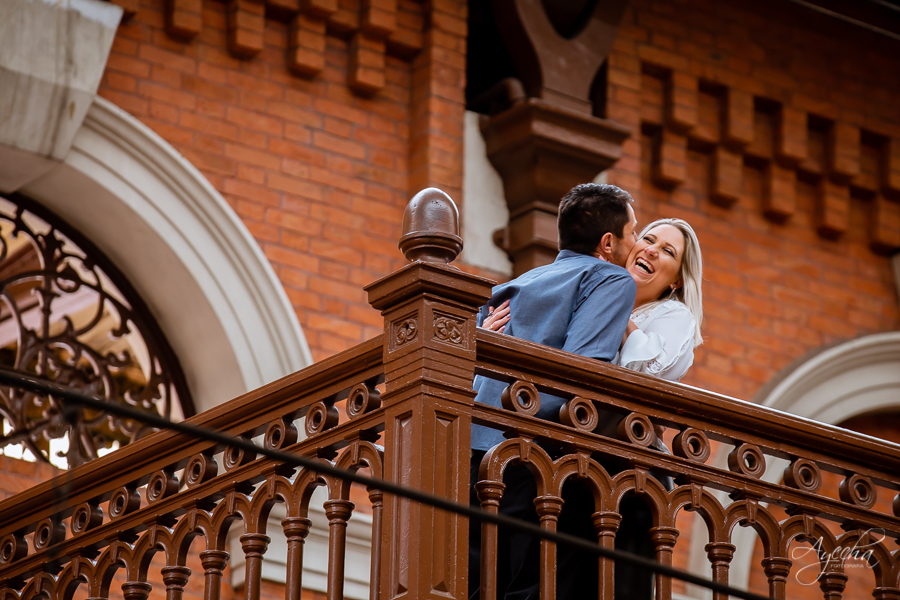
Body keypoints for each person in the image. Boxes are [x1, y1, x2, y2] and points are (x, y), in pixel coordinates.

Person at [482, 217, 705, 600]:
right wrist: (488, 332)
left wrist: (614, 309)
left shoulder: (674, 317)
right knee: (541, 577)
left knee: (606, 586)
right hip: (563, 457)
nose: (651, 249)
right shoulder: (589, 289)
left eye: (667, 251)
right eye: (647, 239)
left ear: (676, 281)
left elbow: (651, 366)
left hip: (626, 470)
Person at [468, 182, 639, 600]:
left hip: (472, 452)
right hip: (530, 457)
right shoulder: (611, 279)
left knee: (475, 584)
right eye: (634, 234)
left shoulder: (517, 284)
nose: (636, 245)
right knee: (531, 585)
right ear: (608, 242)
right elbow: (584, 367)